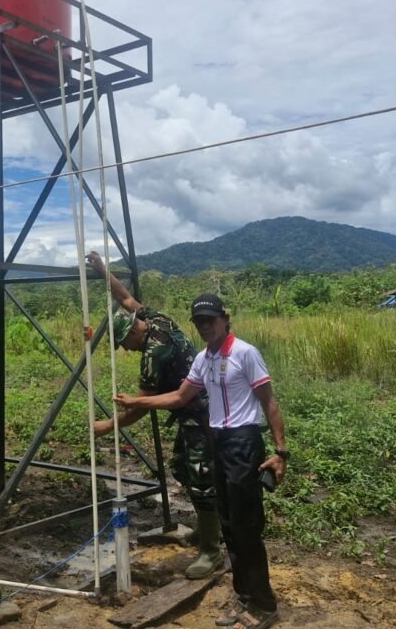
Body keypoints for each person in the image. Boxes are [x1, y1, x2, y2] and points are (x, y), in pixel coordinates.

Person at [114, 293, 287, 629]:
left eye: (211, 320)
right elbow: (180, 397)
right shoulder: (203, 359)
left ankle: (264, 606)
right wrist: (137, 401)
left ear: (225, 318)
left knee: (247, 526)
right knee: (230, 526)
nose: (205, 326)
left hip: (243, 444)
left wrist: (280, 453)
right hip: (218, 443)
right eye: (199, 322)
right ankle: (244, 596)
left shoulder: (245, 352)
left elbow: (269, 402)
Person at [86, 251, 222, 579]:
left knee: (201, 477)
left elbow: (143, 406)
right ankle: (207, 530)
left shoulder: (153, 353)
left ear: (135, 333)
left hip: (201, 412)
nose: (125, 350)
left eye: (124, 343)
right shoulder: (157, 319)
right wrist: (104, 271)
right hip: (189, 409)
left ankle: (211, 550)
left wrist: (109, 426)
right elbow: (126, 297)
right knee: (181, 467)